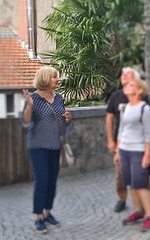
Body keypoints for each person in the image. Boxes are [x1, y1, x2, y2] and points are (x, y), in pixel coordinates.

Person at [21, 66, 71, 234]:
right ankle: (39, 217)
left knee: (52, 180)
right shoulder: (33, 98)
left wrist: (67, 119)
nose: (57, 79)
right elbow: (26, 122)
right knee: (42, 180)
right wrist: (28, 106)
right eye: (54, 77)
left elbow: (61, 121)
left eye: (56, 76)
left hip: (55, 145)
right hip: (38, 146)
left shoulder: (59, 98)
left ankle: (48, 212)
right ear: (45, 79)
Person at [114, 78, 150, 230]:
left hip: (138, 151)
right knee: (130, 184)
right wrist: (118, 152)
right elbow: (121, 131)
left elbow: (148, 134)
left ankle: (149, 216)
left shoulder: (145, 108)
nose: (127, 86)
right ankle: (138, 211)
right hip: (124, 150)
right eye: (126, 84)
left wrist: (147, 155)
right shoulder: (124, 108)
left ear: (139, 90)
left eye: (131, 84)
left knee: (141, 184)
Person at [106, 67, 149, 213]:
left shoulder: (143, 99)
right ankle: (121, 199)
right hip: (121, 143)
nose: (124, 76)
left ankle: (144, 204)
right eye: (123, 74)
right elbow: (109, 118)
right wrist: (111, 140)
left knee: (141, 175)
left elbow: (148, 124)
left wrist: (148, 148)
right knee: (121, 175)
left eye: (128, 74)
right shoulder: (116, 96)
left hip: (139, 144)